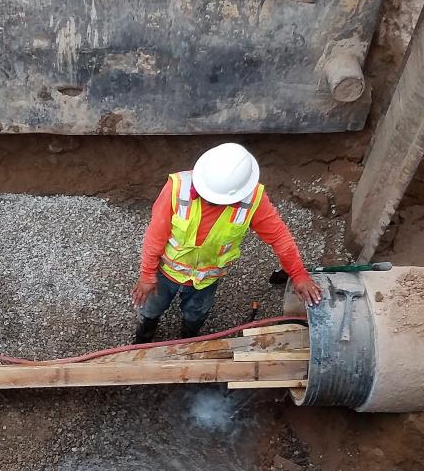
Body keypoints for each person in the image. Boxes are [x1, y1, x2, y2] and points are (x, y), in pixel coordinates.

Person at [131, 143, 322, 343]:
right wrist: (147, 275)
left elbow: (279, 238)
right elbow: (155, 235)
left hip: (206, 280)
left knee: (196, 314)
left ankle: (188, 341)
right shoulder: (178, 188)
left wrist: (299, 275)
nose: (206, 200)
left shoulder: (253, 200)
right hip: (165, 273)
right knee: (151, 308)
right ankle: (143, 339)